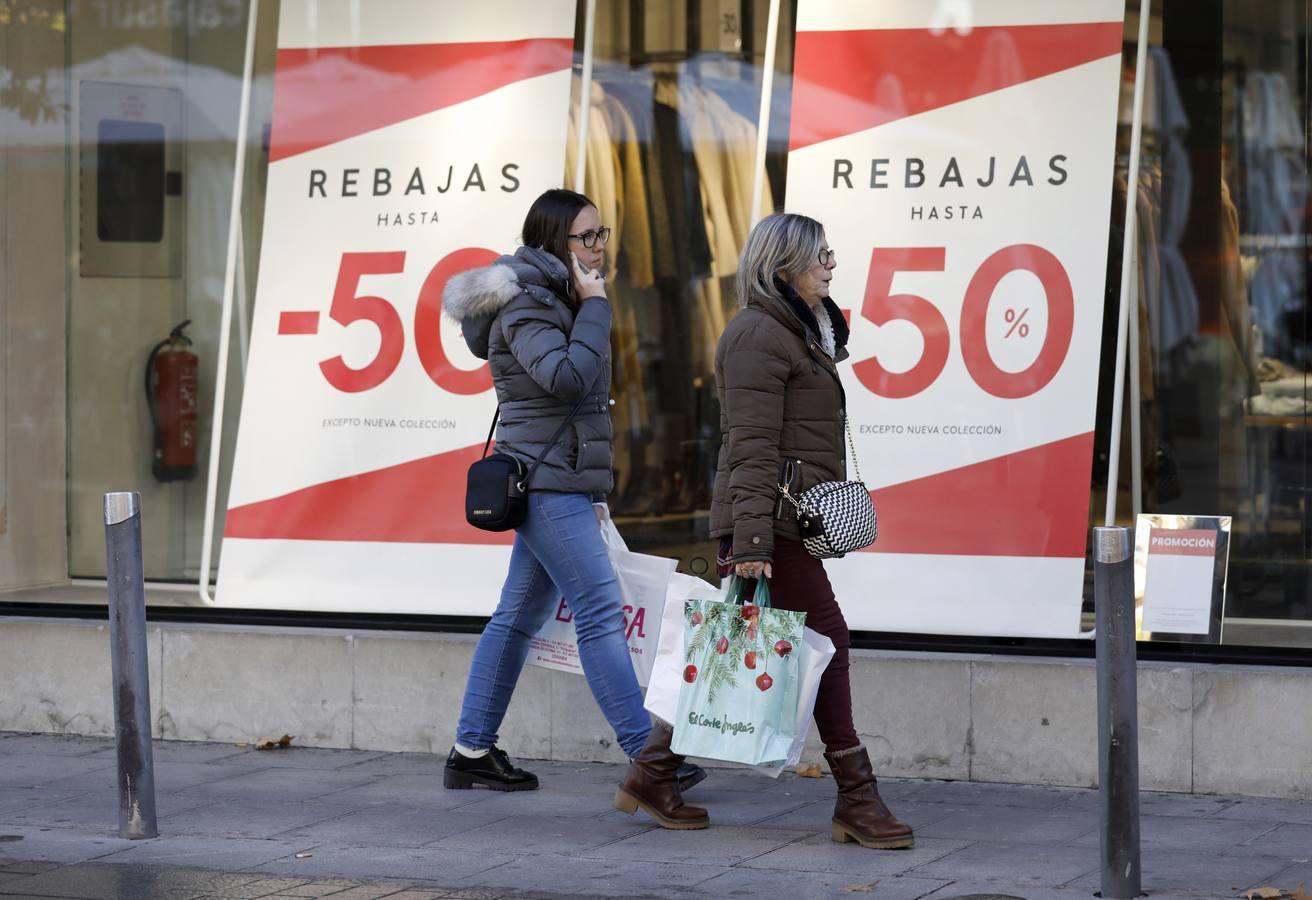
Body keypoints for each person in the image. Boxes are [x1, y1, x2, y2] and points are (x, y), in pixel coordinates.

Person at [440, 188, 704, 802]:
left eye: (602, 234)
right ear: (555, 241)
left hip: (560, 479)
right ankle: (647, 755)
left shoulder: (553, 296)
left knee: (516, 617)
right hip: (544, 482)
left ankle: (471, 750)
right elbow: (566, 377)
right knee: (600, 611)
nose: (599, 246)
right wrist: (595, 307)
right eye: (587, 236)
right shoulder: (528, 302)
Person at [706, 212, 915, 850]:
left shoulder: (797, 334)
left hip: (782, 518)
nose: (831, 263)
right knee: (829, 640)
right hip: (769, 522)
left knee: (727, 650)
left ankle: (654, 772)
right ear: (783, 265)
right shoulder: (757, 335)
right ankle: (857, 796)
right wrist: (750, 547)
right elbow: (751, 446)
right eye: (819, 253)